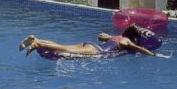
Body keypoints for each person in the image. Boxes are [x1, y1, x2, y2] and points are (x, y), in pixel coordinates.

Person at [18, 24, 157, 58]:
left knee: (63, 47)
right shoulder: (126, 41)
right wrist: (153, 54)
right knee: (64, 49)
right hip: (97, 50)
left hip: (91, 44)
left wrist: (107, 36)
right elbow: (140, 49)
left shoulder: (116, 36)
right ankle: (38, 44)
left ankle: (36, 39)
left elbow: (100, 36)